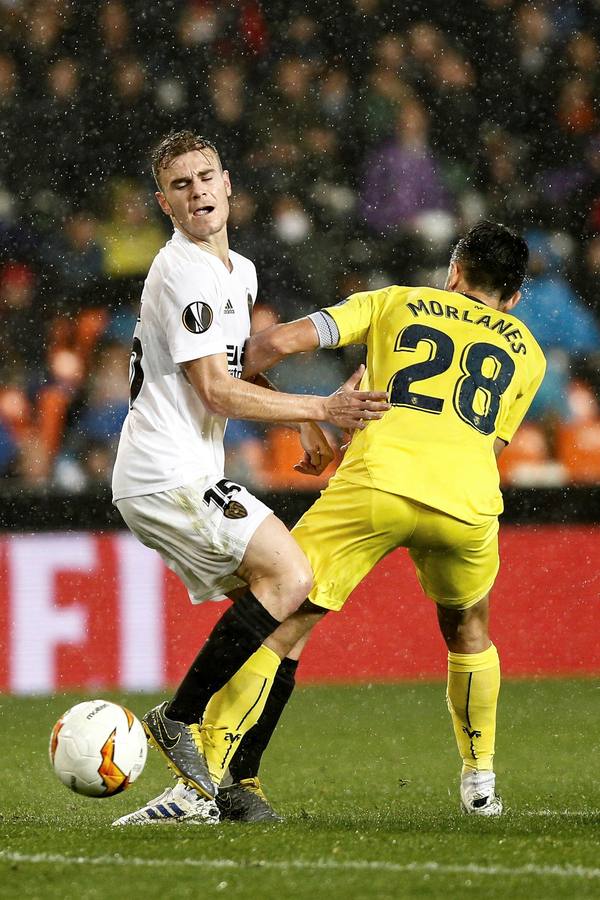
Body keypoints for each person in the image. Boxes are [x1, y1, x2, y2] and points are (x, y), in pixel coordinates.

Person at [121, 221, 545, 824]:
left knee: (283, 611)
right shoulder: (528, 352)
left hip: (378, 486)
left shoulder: (395, 301)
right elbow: (487, 440)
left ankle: (202, 784)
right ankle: (480, 783)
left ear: (454, 271)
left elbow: (275, 345)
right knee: (469, 631)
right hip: (467, 504)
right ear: (515, 296)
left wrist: (293, 402)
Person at [110, 130, 389, 826]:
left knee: (292, 609)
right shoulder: (182, 272)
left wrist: (299, 421)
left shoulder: (240, 272)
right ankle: (179, 719)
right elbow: (214, 392)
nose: (198, 192)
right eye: (181, 185)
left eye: (206, 177)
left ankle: (232, 786)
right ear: (164, 203)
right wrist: (321, 405)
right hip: (163, 470)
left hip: (181, 470)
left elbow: (237, 371)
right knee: (293, 578)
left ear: (229, 183)